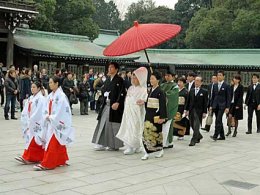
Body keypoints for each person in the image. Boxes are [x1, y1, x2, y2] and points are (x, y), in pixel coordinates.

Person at [33, 76, 74, 171]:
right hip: (51, 121)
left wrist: (51, 117)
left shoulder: (62, 96)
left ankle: (48, 163)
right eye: (49, 82)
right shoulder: (51, 95)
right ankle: (61, 160)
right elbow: (45, 107)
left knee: (53, 142)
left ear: (57, 84)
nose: (49, 84)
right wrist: (46, 115)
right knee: (57, 141)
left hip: (57, 122)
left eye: (51, 82)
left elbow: (61, 111)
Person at [92, 62, 126, 151]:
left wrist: (118, 102)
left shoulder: (119, 80)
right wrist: (103, 92)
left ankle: (114, 145)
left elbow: (122, 92)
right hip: (106, 104)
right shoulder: (107, 79)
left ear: (116, 69)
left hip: (114, 105)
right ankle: (101, 143)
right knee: (102, 123)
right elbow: (103, 89)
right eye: (109, 67)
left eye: (111, 67)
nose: (109, 69)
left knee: (113, 125)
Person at [116, 67, 148, 155]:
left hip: (137, 112)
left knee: (136, 128)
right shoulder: (130, 88)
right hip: (128, 111)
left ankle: (136, 145)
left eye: (135, 78)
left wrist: (143, 101)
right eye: (132, 78)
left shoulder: (144, 90)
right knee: (128, 127)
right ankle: (130, 146)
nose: (133, 79)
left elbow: (145, 100)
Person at [15, 82, 46, 164]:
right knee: (32, 140)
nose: (32, 89)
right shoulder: (31, 98)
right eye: (31, 87)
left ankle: (26, 156)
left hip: (37, 122)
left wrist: (31, 120)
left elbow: (39, 112)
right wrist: (25, 118)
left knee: (34, 140)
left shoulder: (41, 99)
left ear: (39, 88)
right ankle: (33, 157)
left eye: (34, 87)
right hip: (30, 121)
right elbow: (25, 110)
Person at [142, 71, 167, 160]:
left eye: (153, 78)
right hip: (148, 114)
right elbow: (148, 102)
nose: (151, 80)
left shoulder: (160, 91)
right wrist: (143, 102)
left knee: (157, 133)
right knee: (146, 133)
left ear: (158, 80)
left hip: (156, 115)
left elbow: (163, 105)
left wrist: (162, 117)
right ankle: (147, 151)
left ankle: (160, 150)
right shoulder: (150, 90)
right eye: (150, 78)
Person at [184, 76, 208, 146]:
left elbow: (205, 102)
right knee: (192, 124)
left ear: (201, 83)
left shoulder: (204, 91)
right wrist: (186, 110)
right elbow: (188, 101)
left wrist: (204, 112)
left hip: (199, 111)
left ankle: (193, 140)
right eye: (195, 81)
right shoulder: (191, 91)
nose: (196, 82)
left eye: (198, 81)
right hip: (191, 110)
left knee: (196, 125)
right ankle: (199, 136)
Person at [210, 70, 231, 141]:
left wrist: (228, 107)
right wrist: (210, 105)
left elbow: (228, 97)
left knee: (218, 120)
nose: (219, 76)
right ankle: (222, 136)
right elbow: (212, 96)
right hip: (215, 105)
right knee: (219, 120)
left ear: (224, 76)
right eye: (218, 75)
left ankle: (215, 135)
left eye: (220, 75)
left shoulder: (227, 86)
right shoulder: (215, 85)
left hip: (223, 105)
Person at [160, 69, 179, 148]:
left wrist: (163, 94)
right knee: (164, 126)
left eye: (169, 76)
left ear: (173, 77)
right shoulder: (162, 85)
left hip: (169, 108)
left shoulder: (175, 86)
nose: (167, 77)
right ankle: (168, 142)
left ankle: (165, 143)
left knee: (167, 126)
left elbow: (173, 95)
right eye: (166, 75)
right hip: (162, 107)